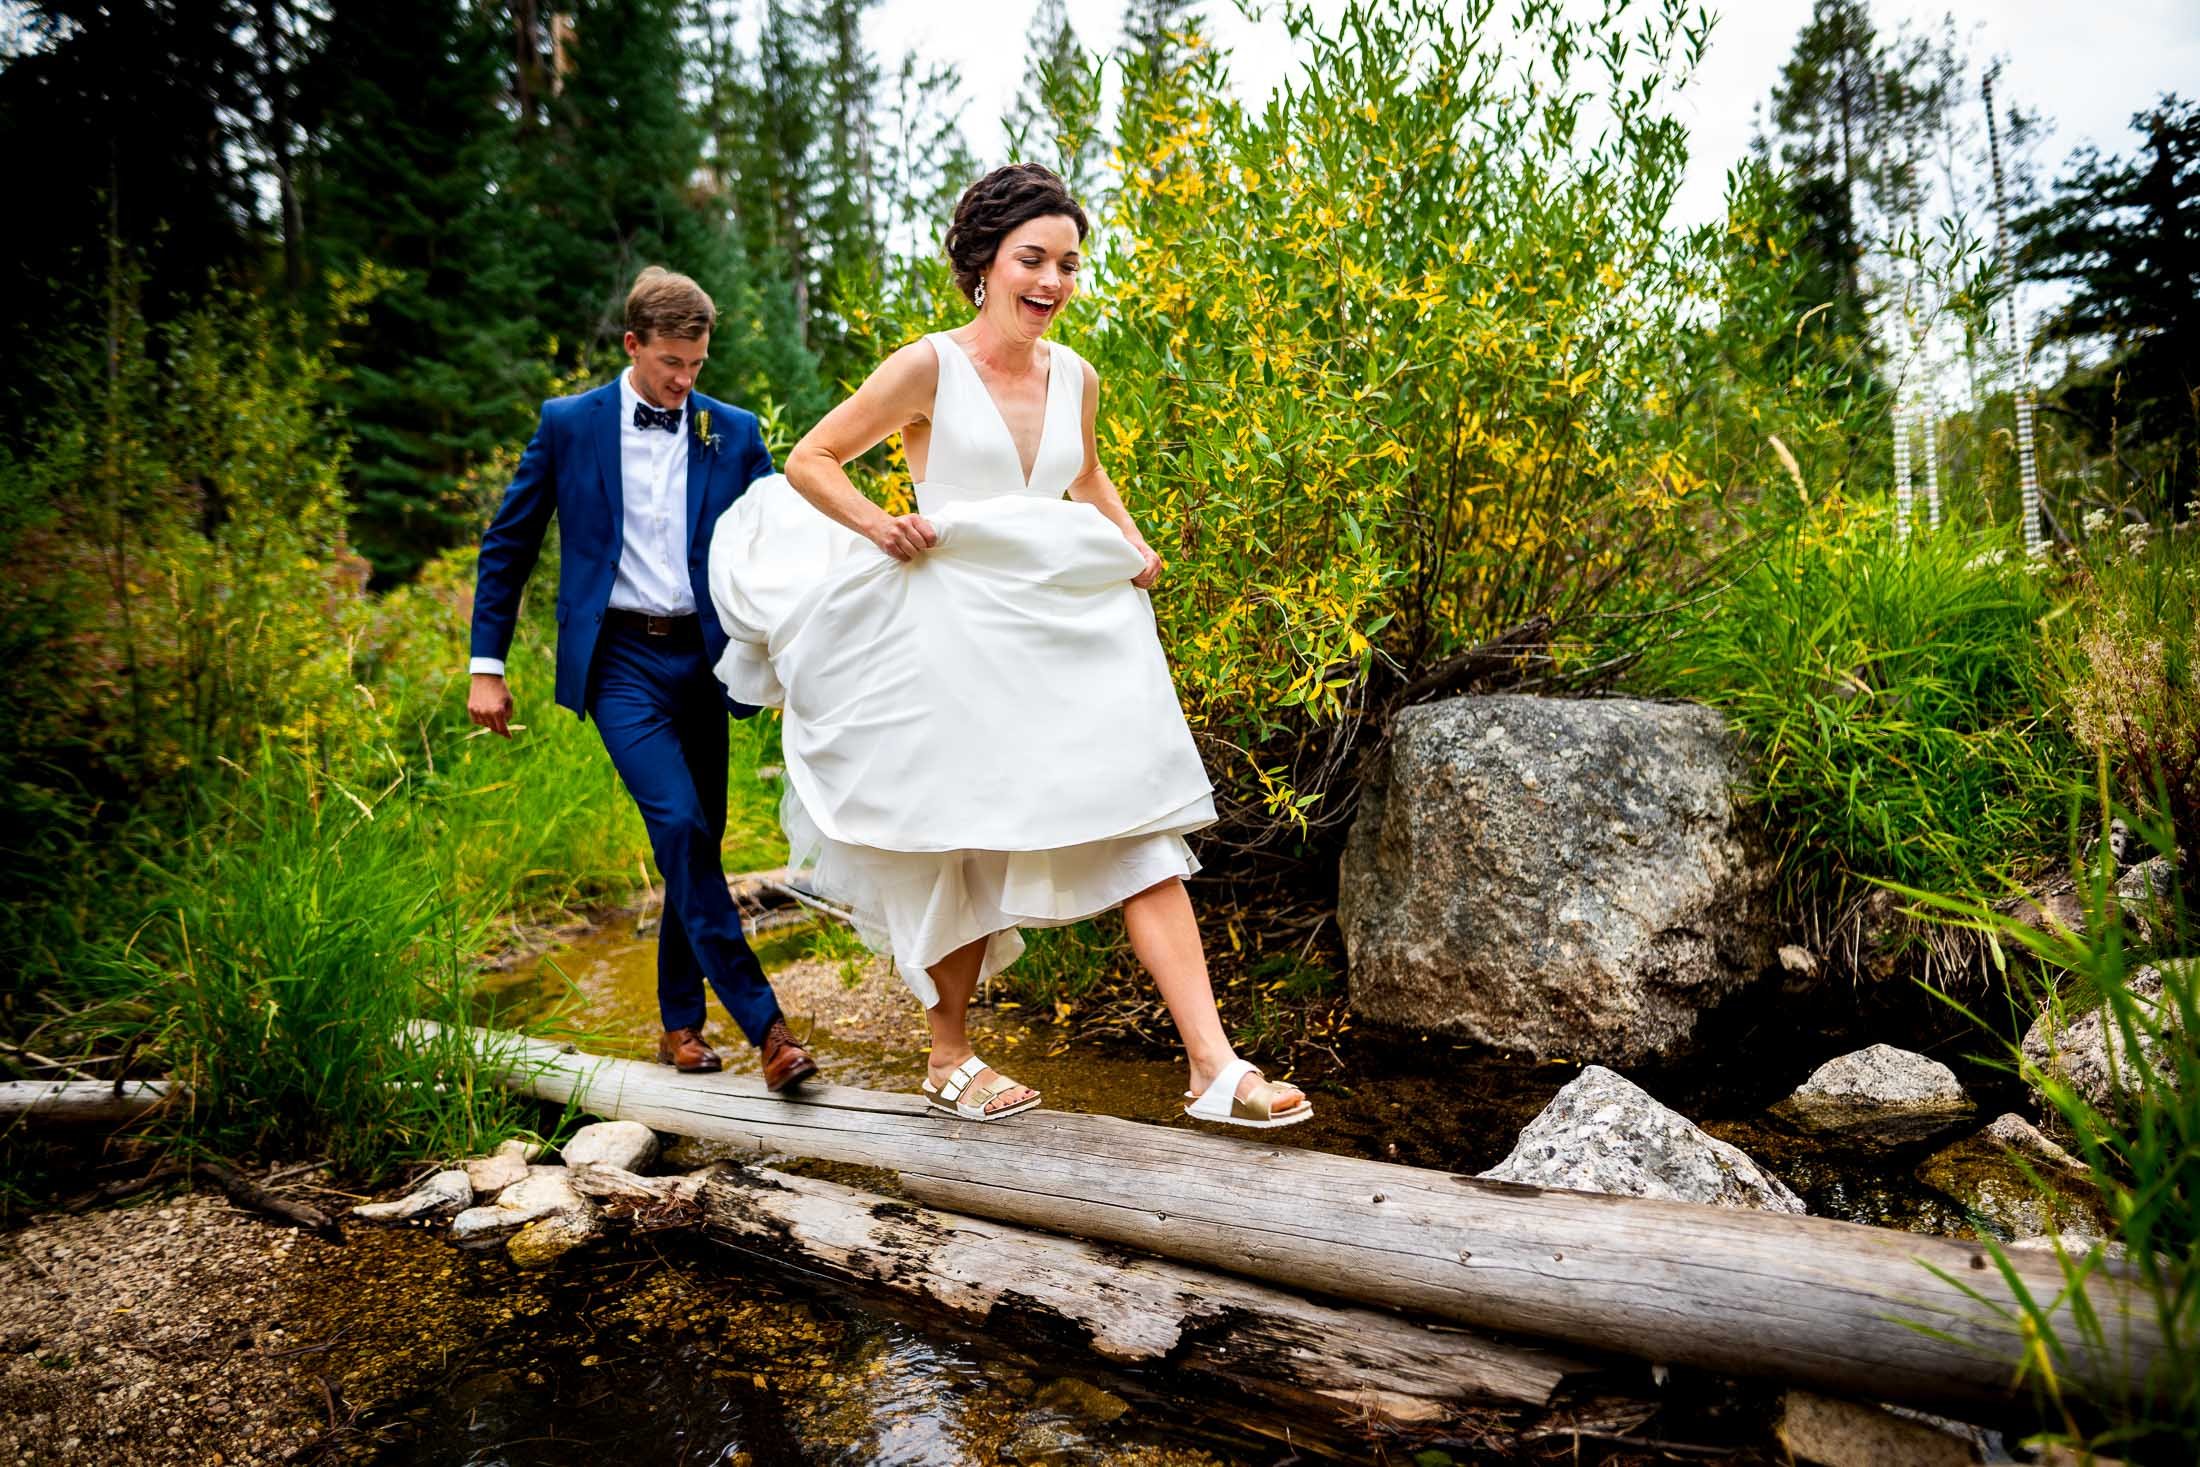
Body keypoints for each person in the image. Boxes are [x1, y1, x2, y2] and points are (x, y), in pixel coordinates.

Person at [707, 164, 1309, 1129]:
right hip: (954, 632)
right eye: (1033, 258)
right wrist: (877, 523)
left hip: (1065, 629)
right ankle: (949, 1055)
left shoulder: (1078, 376)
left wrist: (1132, 540)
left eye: (1069, 263)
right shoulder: (926, 368)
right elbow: (811, 459)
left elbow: (1088, 474)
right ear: (982, 262)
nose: (1054, 280)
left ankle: (1212, 1065)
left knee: (1140, 824)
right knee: (963, 842)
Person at [466, 266, 818, 1091]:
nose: (686, 381)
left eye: (697, 365)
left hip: (705, 658)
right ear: (632, 345)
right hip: (618, 660)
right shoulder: (569, 424)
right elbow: (507, 544)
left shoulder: (731, 429)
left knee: (691, 837)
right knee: (682, 824)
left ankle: (678, 1024)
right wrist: (488, 664)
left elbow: (779, 540)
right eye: (671, 365)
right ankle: (768, 1028)